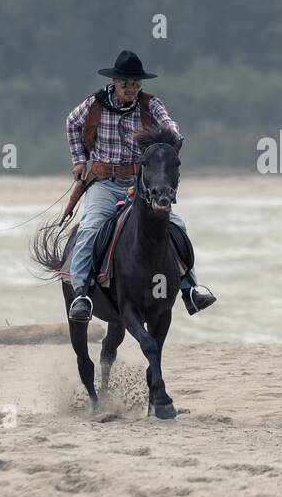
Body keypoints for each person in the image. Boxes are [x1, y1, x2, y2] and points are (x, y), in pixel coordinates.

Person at [64, 50, 216, 322]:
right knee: (89, 228)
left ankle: (189, 289)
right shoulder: (93, 105)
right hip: (103, 183)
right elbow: (71, 123)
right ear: (114, 81)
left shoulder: (150, 105)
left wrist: (171, 135)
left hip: (140, 186)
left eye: (136, 83)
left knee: (177, 225)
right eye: (126, 83)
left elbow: (169, 122)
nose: (132, 88)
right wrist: (79, 160)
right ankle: (82, 294)